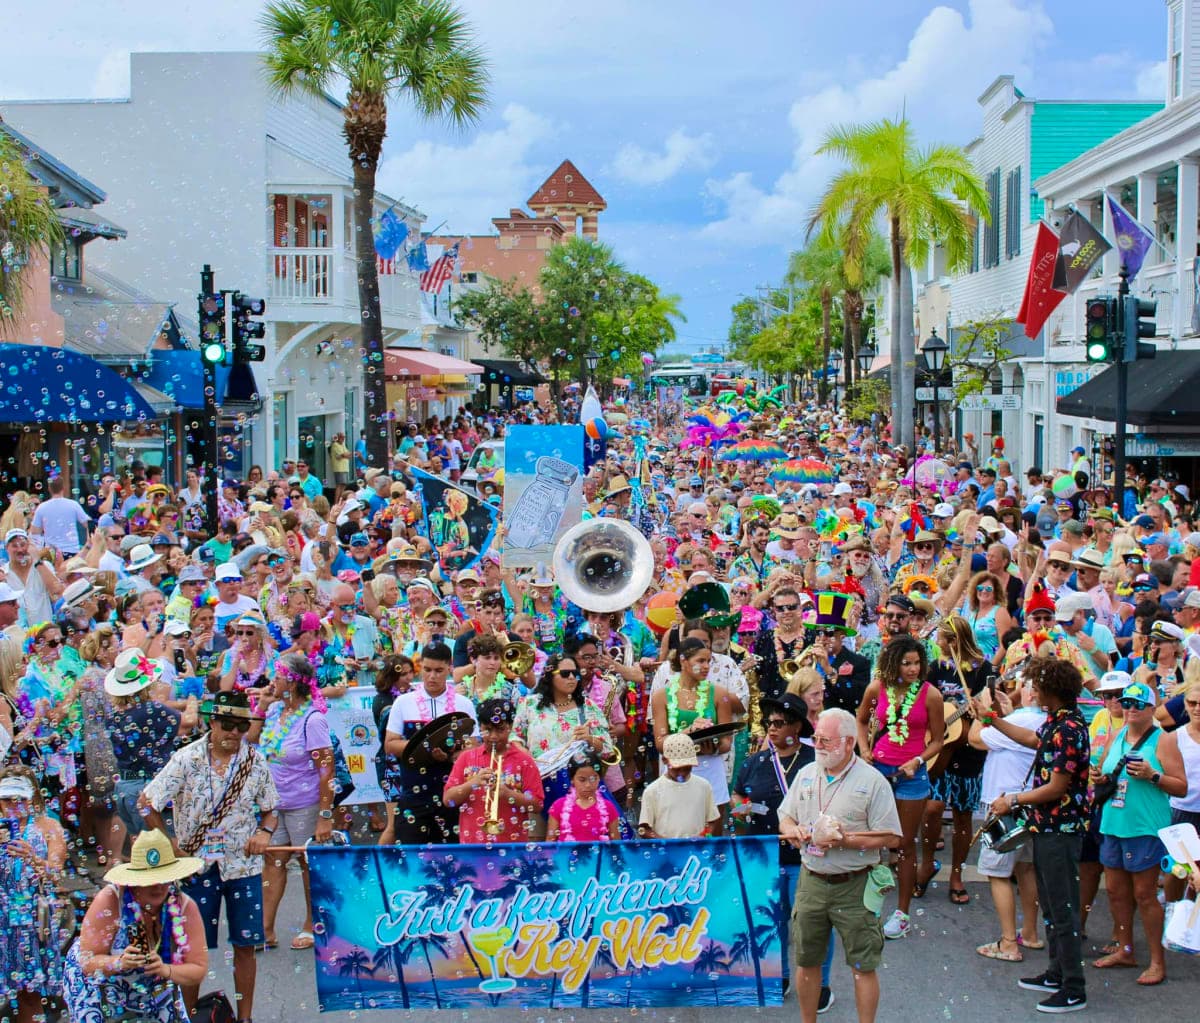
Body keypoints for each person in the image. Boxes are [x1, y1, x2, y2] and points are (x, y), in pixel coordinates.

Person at [138, 692, 279, 1021]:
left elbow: (272, 808)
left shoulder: (255, 761)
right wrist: (172, 845)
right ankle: (188, 1017)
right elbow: (147, 803)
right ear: (212, 722)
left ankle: (245, 1018)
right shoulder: (186, 759)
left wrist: (264, 833)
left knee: (246, 945)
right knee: (191, 949)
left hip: (242, 867)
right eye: (227, 724)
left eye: (241, 726)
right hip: (197, 870)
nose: (234, 732)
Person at [980, 658, 1091, 1015]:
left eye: (1037, 684)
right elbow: (1031, 739)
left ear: (1052, 690)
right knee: (1053, 904)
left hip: (1061, 831)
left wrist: (1012, 799)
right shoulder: (1057, 723)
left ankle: (1073, 987)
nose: (1033, 689)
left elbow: (1058, 786)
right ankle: (1056, 973)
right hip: (1046, 828)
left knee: (1063, 908)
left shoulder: (1069, 729)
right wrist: (992, 720)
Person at [778, 708, 902, 1023]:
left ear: (848, 743)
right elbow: (785, 815)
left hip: (855, 884)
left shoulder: (873, 781)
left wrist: (846, 840)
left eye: (826, 740)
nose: (817, 745)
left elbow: (891, 837)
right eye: (816, 738)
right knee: (806, 962)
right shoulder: (807, 773)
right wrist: (793, 831)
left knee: (863, 966)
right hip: (812, 881)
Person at [731, 693, 836, 1011]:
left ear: (797, 725)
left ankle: (821, 984)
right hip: (765, 856)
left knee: (813, 924)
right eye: (768, 723)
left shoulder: (816, 760)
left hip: (808, 857)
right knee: (773, 922)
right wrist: (744, 809)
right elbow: (737, 798)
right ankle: (782, 976)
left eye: (778, 723)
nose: (771, 729)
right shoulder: (755, 762)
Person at [1090, 679, 1186, 985]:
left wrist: (1153, 774)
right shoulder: (1117, 734)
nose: (1129, 708)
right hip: (1113, 823)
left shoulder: (1163, 740)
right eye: (1125, 702)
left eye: (1137, 704)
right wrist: (1098, 776)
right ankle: (1125, 948)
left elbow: (1181, 786)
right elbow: (1105, 771)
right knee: (1117, 892)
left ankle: (1158, 961)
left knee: (1145, 895)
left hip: (1145, 827)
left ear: (1151, 709)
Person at [62, 828, 209, 1023]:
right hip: (99, 986)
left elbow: (198, 968)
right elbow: (87, 962)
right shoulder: (110, 900)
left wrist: (166, 970)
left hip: (155, 986)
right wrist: (119, 962)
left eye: (164, 879)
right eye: (151, 880)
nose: (158, 886)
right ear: (135, 881)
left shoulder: (184, 906)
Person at [855, 635, 943, 939]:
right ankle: (867, 908)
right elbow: (861, 719)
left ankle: (902, 914)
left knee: (904, 845)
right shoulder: (876, 688)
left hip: (912, 776)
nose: (913, 668)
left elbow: (939, 741)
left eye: (917, 662)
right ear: (893, 664)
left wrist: (918, 761)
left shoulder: (931, 695)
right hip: (878, 772)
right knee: (872, 841)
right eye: (906, 663)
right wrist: (864, 749)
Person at [248, 651, 335, 951]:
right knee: (272, 861)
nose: (273, 680)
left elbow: (327, 770)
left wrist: (325, 815)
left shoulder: (312, 720)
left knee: (308, 863)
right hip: (274, 805)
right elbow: (250, 738)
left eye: (279, 675)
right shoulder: (273, 712)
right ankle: (265, 929)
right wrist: (260, 707)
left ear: (295, 682)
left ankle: (312, 924)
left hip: (305, 804)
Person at [383, 642, 478, 844]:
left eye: (438, 670)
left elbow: (473, 748)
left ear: (450, 669)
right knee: (412, 859)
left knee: (451, 859)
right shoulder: (403, 702)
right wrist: (424, 749)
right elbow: (390, 744)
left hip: (451, 794)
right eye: (427, 670)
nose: (432, 676)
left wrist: (452, 755)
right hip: (413, 793)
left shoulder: (464, 704)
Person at [0, 768, 69, 1023]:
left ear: (33, 798)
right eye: (7, 799)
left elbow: (55, 875)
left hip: (31, 919)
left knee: (29, 991)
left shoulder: (48, 826)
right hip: (2, 917)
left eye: (20, 799)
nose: (14, 806)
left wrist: (32, 857)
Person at [444, 697, 543, 843]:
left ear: (510, 726)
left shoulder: (524, 761)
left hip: (511, 845)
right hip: (473, 844)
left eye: (500, 730)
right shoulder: (466, 758)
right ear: (480, 728)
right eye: (488, 730)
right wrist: (473, 783)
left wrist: (508, 794)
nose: (494, 736)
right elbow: (448, 799)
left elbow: (537, 804)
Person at [638, 733, 719, 839]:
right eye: (677, 768)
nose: (682, 773)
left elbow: (712, 820)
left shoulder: (704, 786)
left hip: (696, 851)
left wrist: (704, 836)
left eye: (687, 768)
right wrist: (669, 844)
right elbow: (644, 829)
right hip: (668, 852)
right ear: (664, 760)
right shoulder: (652, 791)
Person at [546, 751, 622, 842]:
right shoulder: (558, 806)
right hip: (566, 856)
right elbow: (550, 843)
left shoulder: (608, 807)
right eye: (582, 780)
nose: (588, 785)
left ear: (599, 778)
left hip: (598, 856)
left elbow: (617, 845)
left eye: (593, 779)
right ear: (572, 779)